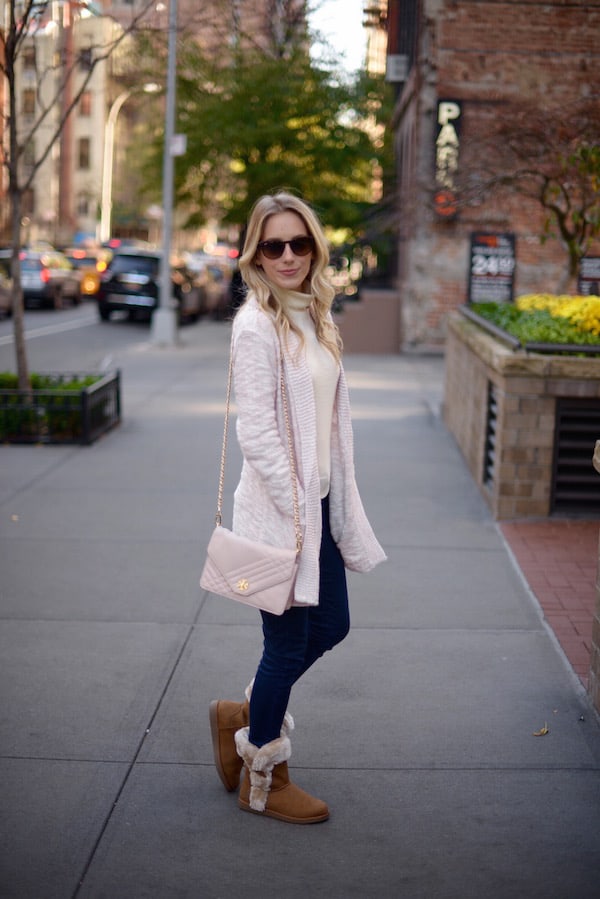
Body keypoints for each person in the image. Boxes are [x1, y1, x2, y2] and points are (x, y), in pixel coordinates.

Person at [209, 191, 386, 825]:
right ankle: (263, 778)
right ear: (255, 253)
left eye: (299, 243)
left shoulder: (314, 313)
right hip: (284, 515)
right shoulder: (256, 323)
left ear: (315, 246)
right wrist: (298, 511)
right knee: (285, 646)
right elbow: (255, 434)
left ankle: (246, 713)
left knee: (331, 625)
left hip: (323, 504)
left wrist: (327, 502)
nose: (287, 256)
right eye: (273, 245)